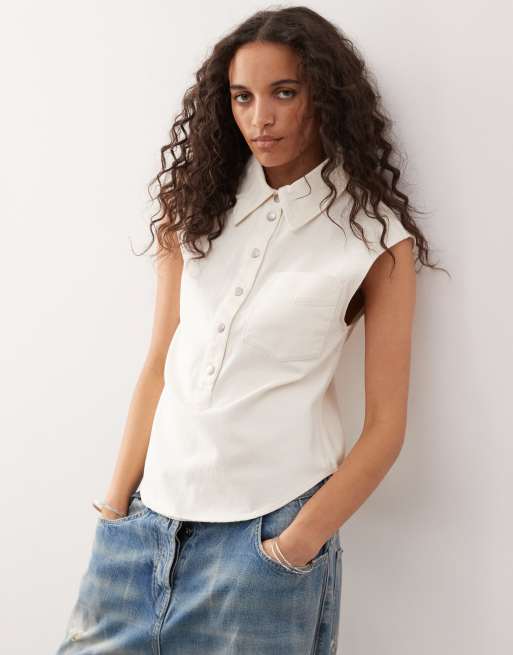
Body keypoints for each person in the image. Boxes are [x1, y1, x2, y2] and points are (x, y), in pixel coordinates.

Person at [55, 6, 446, 654]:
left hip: (263, 548)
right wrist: (115, 509)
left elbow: (385, 428)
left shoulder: (375, 240)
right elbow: (159, 363)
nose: (260, 118)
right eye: (242, 97)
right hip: (141, 532)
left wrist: (293, 546)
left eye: (283, 93)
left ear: (326, 96)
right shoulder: (194, 207)